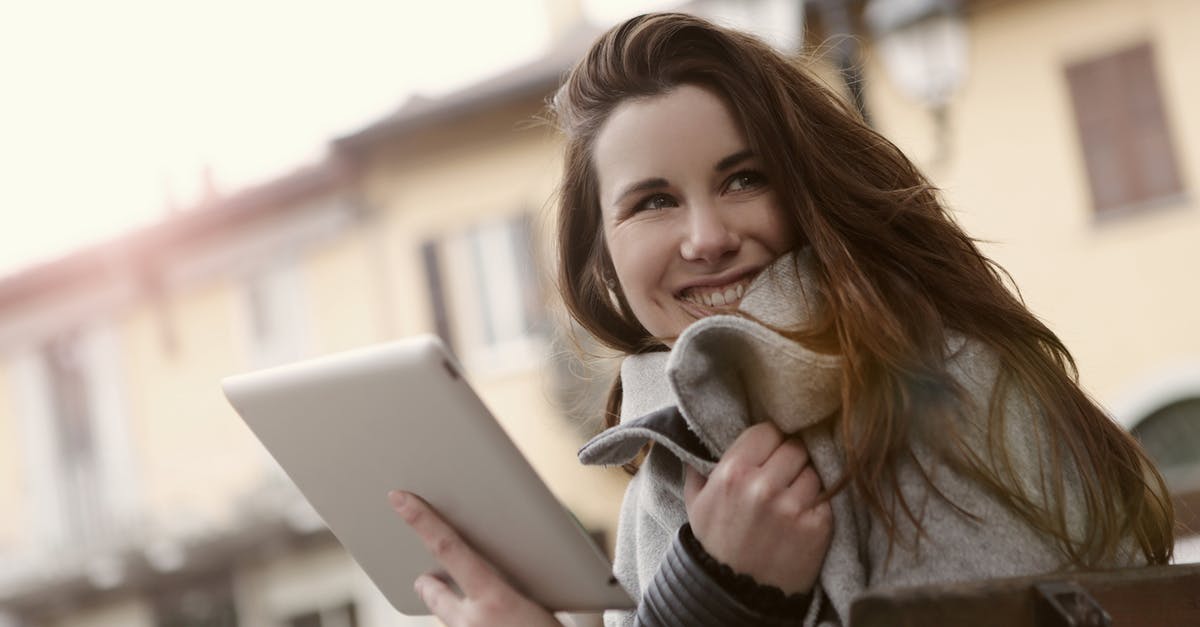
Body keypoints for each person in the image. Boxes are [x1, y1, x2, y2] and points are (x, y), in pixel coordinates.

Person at [387, 12, 1175, 627]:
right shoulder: (664, 460)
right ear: (604, 260)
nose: (706, 237)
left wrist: (718, 591)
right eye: (653, 201)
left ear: (810, 194)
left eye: (743, 179)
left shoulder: (935, 386)